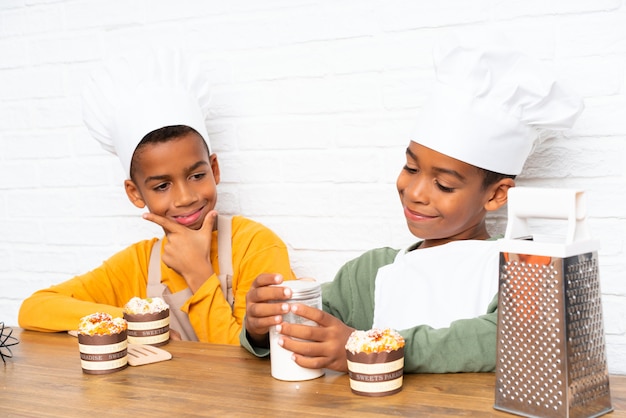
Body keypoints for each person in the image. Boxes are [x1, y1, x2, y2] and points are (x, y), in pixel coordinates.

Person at [241, 33, 584, 372]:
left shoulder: (523, 265)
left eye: (444, 184)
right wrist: (264, 327)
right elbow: (314, 334)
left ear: (495, 194)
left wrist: (368, 347)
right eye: (411, 167)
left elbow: (506, 338)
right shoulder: (369, 273)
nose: (415, 191)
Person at [18, 49, 296, 344]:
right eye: (162, 186)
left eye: (196, 175)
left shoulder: (255, 246)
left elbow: (249, 363)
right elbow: (34, 308)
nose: (185, 197)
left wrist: (198, 273)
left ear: (214, 169)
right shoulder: (138, 263)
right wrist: (142, 323)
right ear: (135, 193)